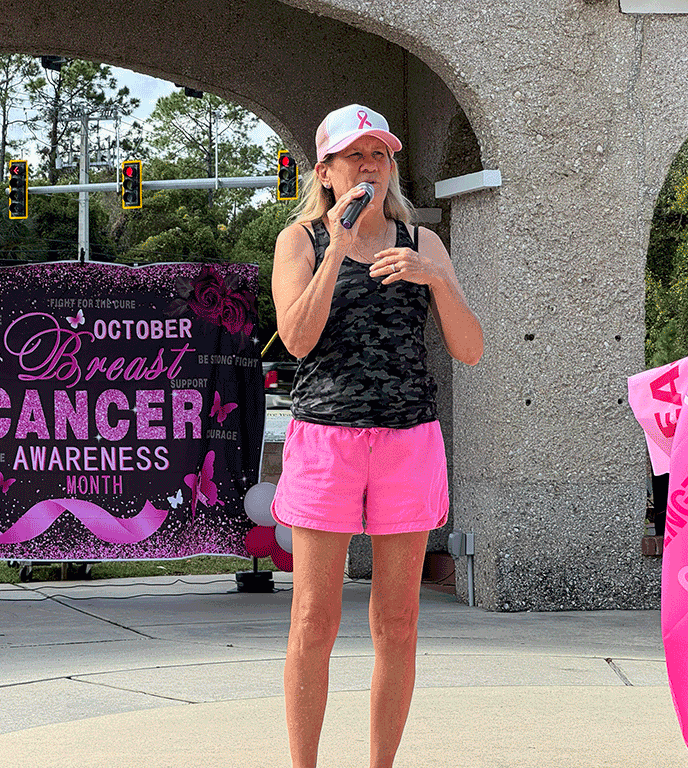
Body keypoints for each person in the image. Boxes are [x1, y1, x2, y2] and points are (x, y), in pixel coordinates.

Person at [271, 104, 484, 768]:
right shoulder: (301, 239)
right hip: (326, 440)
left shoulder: (420, 243)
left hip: (407, 441)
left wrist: (438, 282)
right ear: (327, 171)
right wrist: (339, 246)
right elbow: (298, 340)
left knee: (398, 624)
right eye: (355, 156)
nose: (370, 166)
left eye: (380, 155)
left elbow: (471, 349)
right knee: (314, 621)